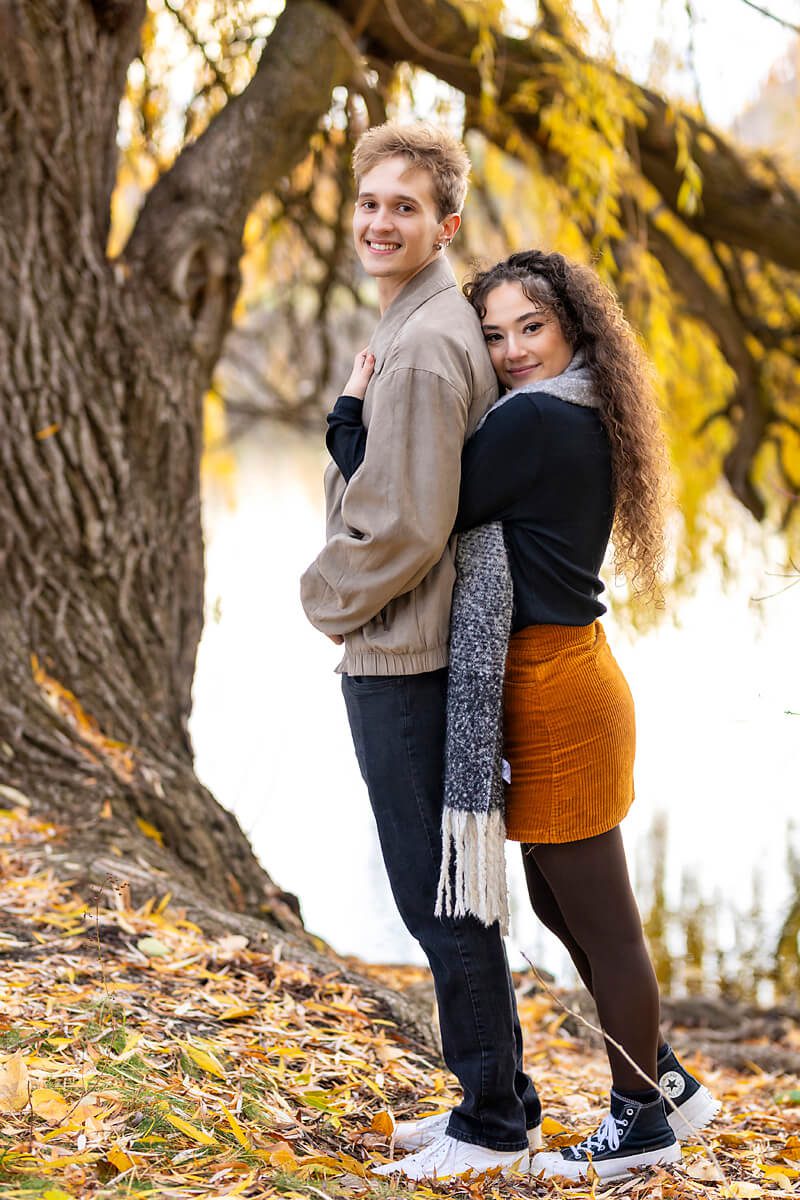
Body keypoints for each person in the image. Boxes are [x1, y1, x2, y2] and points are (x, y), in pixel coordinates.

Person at [325, 249, 720, 1183]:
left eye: (529, 328)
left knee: (606, 922)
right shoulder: (571, 408)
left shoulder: (539, 421)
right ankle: (667, 1082)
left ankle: (640, 1122)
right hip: (560, 678)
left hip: (558, 692)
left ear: (573, 328)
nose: (510, 351)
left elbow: (404, 502)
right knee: (557, 899)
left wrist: (349, 414)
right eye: (493, 334)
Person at [300, 124, 541, 1181]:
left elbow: (402, 525)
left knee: (437, 897)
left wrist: (322, 599)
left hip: (407, 652)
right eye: (367, 204)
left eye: (403, 206)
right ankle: (494, 1099)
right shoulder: (419, 327)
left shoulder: (428, 343)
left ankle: (493, 1123)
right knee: (440, 891)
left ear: (444, 225)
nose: (377, 222)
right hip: (408, 642)